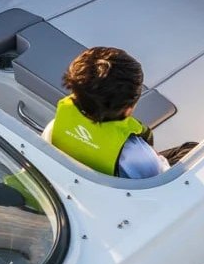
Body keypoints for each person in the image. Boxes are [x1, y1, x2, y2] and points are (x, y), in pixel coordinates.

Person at [43, 46, 196, 178]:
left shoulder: (54, 128)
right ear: (129, 109)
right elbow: (160, 179)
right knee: (191, 149)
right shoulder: (140, 159)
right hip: (144, 175)